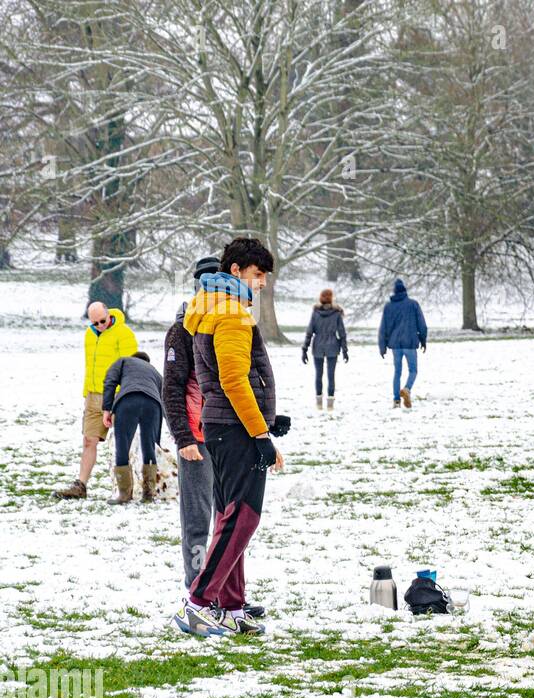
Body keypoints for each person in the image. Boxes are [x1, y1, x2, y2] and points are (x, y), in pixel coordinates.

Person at [179, 237, 291, 638]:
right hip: (236, 429)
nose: (261, 284)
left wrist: (269, 417)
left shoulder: (212, 308)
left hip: (224, 426)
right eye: (257, 275)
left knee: (230, 516)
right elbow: (232, 378)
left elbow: (230, 377)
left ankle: (230, 604)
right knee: (243, 517)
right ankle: (199, 600)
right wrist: (260, 432)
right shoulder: (230, 315)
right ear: (235, 272)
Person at [54, 302, 139, 499]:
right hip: (93, 395)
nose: (99, 325)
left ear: (109, 315)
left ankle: (128, 488)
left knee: (122, 442)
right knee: (88, 440)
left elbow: (132, 366)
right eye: (95, 323)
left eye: (103, 320)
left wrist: (122, 394)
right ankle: (81, 485)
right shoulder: (89, 334)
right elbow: (89, 366)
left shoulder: (124, 333)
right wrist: (87, 392)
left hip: (117, 395)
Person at [100, 352, 164, 504]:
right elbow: (166, 395)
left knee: (122, 446)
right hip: (153, 404)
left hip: (128, 400)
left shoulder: (123, 361)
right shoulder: (154, 371)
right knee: (148, 446)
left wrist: (106, 410)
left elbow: (110, 381)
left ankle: (124, 494)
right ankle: (149, 493)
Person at [378, 278, 426, 408]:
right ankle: (407, 389)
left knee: (397, 372)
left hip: (395, 345)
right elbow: (422, 324)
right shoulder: (413, 304)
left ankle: (396, 400)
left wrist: (382, 347)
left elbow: (383, 328)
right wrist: (423, 340)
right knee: (413, 370)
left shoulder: (388, 307)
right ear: (405, 291)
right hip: (410, 343)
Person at [302, 288, 349, 410]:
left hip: (318, 345)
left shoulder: (315, 313)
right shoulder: (337, 313)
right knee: (331, 375)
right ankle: (330, 404)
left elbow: (309, 332)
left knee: (319, 374)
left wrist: (305, 349)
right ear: (331, 298)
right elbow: (342, 333)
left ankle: (318, 403)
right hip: (333, 345)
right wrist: (345, 350)